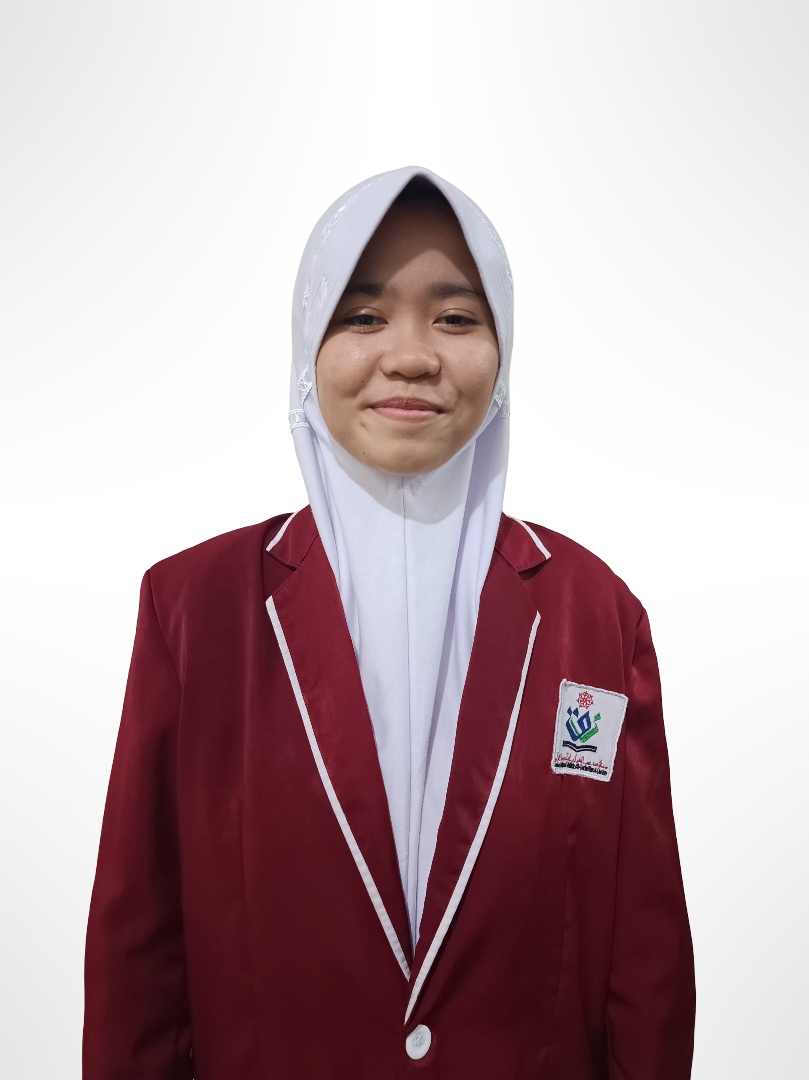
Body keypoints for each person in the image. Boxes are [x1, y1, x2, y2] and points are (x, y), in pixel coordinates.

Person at [83, 166, 695, 1079]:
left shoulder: (593, 614)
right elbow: (138, 954)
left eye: (456, 318)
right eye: (363, 315)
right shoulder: (194, 609)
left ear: (503, 345)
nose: (410, 356)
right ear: (307, 343)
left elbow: (644, 954)